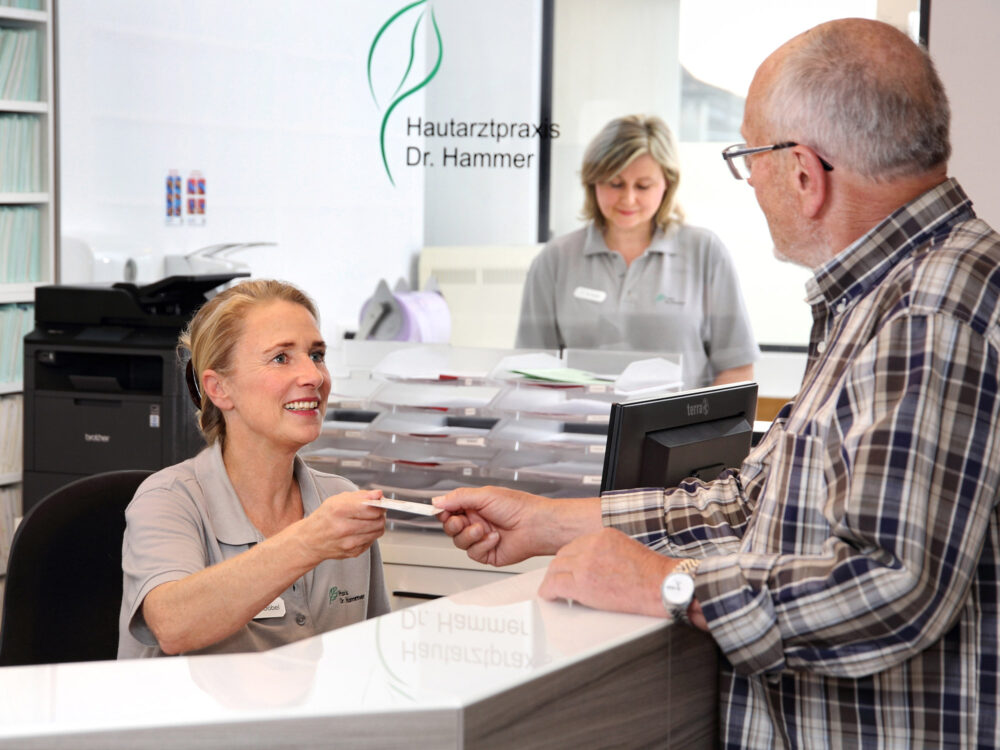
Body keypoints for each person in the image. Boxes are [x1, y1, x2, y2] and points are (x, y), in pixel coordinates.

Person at [434, 19, 1000, 748]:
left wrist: (669, 586)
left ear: (805, 173)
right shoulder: (882, 296)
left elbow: (888, 586)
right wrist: (549, 522)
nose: (751, 179)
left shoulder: (927, 313)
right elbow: (752, 504)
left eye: (748, 156)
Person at [118, 280, 390, 658]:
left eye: (316, 355)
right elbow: (172, 625)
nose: (314, 376)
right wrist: (309, 542)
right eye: (280, 358)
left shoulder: (340, 500)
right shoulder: (168, 500)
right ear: (219, 388)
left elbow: (373, 656)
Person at [515, 114, 759, 389]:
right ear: (593, 181)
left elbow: (737, 367)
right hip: (580, 417)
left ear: (667, 184)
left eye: (643, 186)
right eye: (615, 183)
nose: (628, 198)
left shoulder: (705, 252)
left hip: (679, 418)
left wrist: (701, 419)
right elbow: (532, 369)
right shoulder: (555, 259)